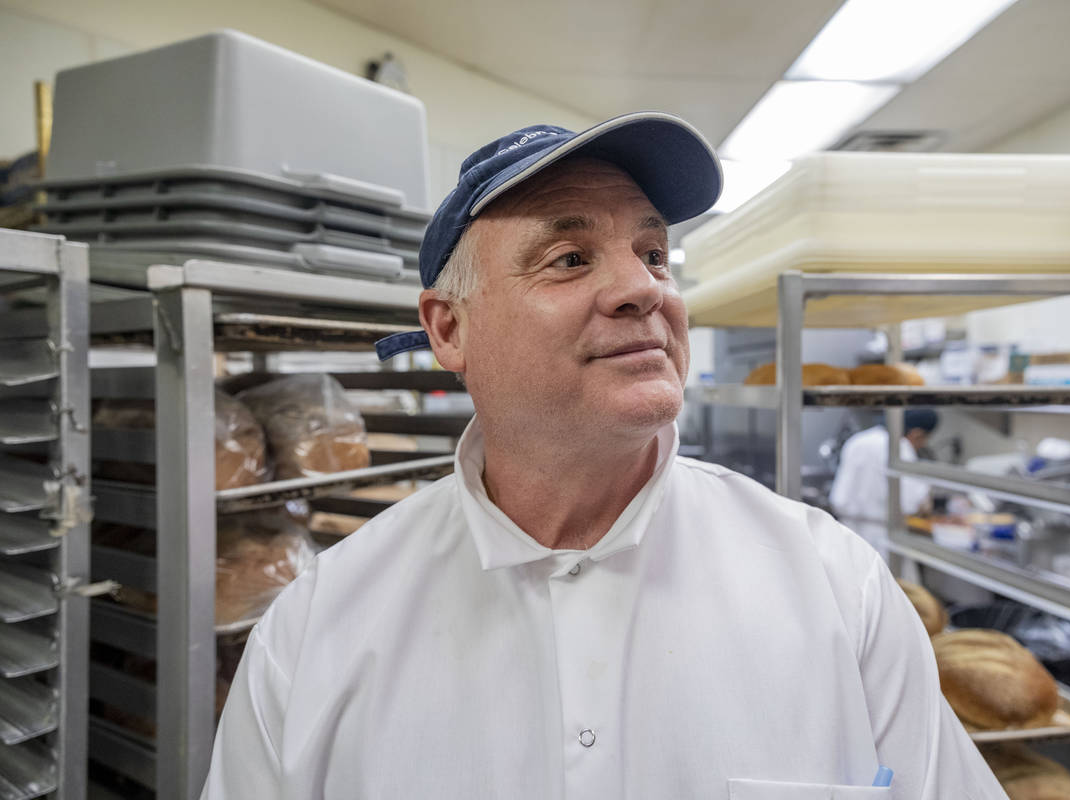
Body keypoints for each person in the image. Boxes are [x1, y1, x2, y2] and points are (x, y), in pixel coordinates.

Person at [202, 113, 1003, 799]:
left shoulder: (838, 590)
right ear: (450, 329)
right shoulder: (317, 632)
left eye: (654, 253)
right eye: (570, 258)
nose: (644, 288)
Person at [829, 409, 939, 552]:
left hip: (847, 532)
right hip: (884, 537)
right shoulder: (898, 448)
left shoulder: (858, 440)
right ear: (916, 433)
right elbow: (914, 503)